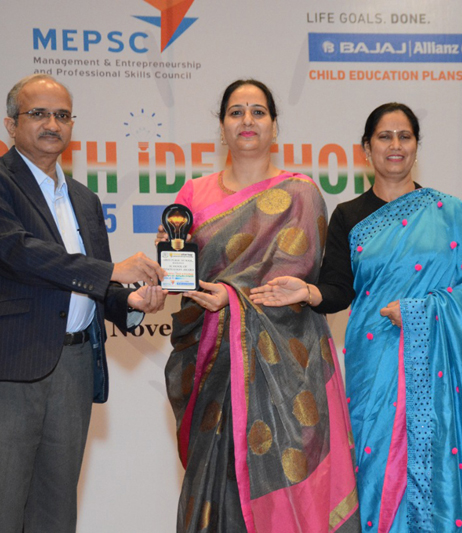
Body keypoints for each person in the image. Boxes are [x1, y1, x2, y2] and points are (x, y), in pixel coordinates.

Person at [251, 103, 462, 532]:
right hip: (376, 360)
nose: (395, 146)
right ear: (366, 148)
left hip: (442, 364)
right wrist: (307, 291)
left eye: (405, 136)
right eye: (385, 137)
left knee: (444, 461)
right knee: (377, 461)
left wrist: (422, 311)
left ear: (416, 146)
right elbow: (339, 290)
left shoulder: (450, 214)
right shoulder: (348, 215)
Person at [0, 73, 167, 533]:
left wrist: (134, 301)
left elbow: (97, 284)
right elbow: (17, 252)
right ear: (10, 124)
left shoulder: (85, 200)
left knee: (56, 515)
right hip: (9, 365)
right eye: (39, 113)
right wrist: (111, 272)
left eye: (63, 115)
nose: (53, 123)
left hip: (73, 369)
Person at [158, 79, 360, 532]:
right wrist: (174, 261)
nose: (246, 120)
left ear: (273, 125)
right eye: (235, 111)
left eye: (257, 111)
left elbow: (295, 275)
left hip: (285, 366)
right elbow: (185, 284)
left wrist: (230, 298)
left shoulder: (300, 194)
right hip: (212, 358)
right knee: (220, 482)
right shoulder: (192, 195)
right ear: (222, 126)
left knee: (287, 484)